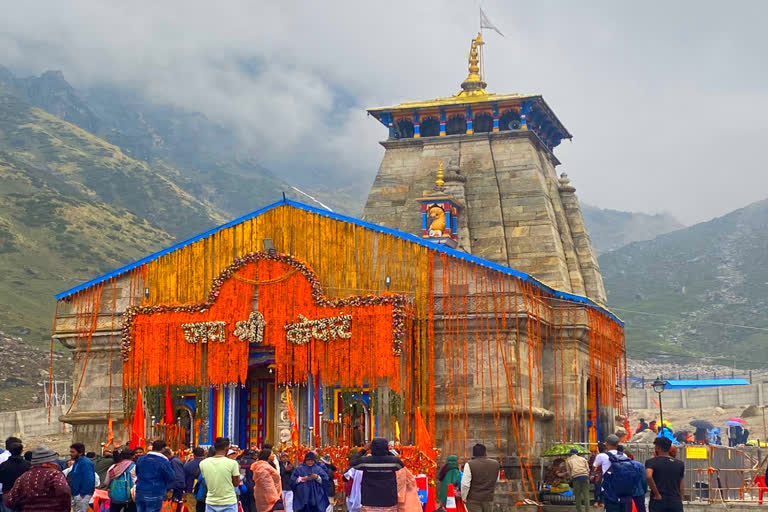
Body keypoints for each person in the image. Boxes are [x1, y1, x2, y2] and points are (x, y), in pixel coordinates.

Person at [4, 445, 71, 511]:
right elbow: (64, 490)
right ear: (49, 462)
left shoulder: (23, 477)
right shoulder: (55, 474)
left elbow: (9, 501)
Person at [353, 438, 404, 512]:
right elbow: (401, 465)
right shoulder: (394, 462)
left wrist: (364, 449)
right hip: (389, 501)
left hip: (369, 501)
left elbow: (353, 462)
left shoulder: (365, 461)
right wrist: (387, 451)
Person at [199, 437, 241, 512]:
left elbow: (207, 480)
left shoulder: (203, 463)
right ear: (227, 449)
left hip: (211, 502)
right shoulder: (232, 463)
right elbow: (236, 483)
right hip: (229, 502)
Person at [645, 437, 684, 512]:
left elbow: (648, 476)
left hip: (658, 501)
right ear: (669, 448)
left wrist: (657, 494)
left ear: (657, 448)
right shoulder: (679, 464)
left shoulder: (651, 462)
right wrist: (680, 498)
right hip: (675, 500)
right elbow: (681, 483)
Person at [135, 440, 175, 512]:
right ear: (163, 449)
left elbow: (137, 473)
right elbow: (171, 476)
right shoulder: (163, 461)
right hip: (155, 492)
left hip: (140, 491)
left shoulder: (140, 459)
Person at [460, 443, 500, 512]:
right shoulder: (495, 464)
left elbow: (465, 485)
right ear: (485, 452)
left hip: (473, 499)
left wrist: (463, 497)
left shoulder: (469, 464)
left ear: (474, 453)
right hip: (488, 498)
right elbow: (496, 479)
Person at [69, 442, 96, 512]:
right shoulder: (77, 462)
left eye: (73, 452)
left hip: (82, 495)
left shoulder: (86, 463)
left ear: (80, 453)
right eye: (70, 451)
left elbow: (89, 480)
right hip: (77, 493)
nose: (70, 454)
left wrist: (83, 493)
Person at [184, 447, 206, 512]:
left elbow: (184, 478)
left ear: (193, 454)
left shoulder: (187, 465)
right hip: (205, 490)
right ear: (204, 453)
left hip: (190, 490)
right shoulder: (207, 464)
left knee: (192, 508)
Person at [589, 443, 605, 508]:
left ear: (598, 448)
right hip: (604, 475)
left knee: (597, 489)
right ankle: (602, 502)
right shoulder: (606, 456)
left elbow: (592, 466)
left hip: (597, 475)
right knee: (603, 489)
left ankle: (596, 502)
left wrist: (592, 474)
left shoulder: (594, 456)